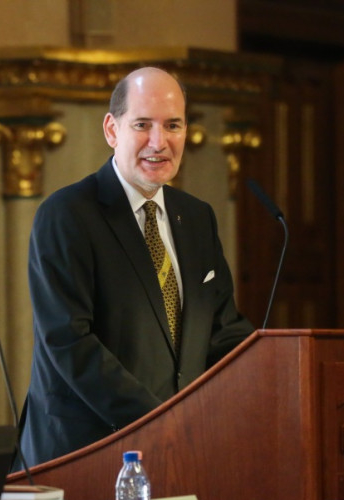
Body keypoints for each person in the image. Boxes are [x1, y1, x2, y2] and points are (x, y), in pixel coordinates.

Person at [19, 67, 254, 467]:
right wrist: (158, 422)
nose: (159, 142)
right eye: (143, 124)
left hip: (178, 449)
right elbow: (70, 341)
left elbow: (222, 331)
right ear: (112, 130)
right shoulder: (67, 215)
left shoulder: (197, 217)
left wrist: (273, 371)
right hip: (85, 453)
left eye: (173, 125)